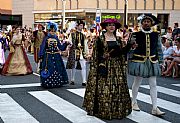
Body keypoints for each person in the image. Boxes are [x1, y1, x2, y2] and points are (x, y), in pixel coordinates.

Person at [83, 18, 132, 120]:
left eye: (113, 25)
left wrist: (129, 46)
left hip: (116, 67)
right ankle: (104, 109)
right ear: (105, 27)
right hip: (104, 66)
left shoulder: (118, 39)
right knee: (105, 89)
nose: (111, 26)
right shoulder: (100, 39)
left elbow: (121, 53)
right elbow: (96, 54)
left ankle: (116, 110)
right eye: (109, 25)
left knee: (117, 88)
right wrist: (101, 62)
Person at [128, 14, 165, 116]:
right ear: (141, 23)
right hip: (139, 61)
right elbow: (130, 48)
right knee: (137, 82)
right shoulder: (135, 34)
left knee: (153, 84)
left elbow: (159, 49)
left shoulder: (156, 34)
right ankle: (134, 102)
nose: (146, 23)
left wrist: (161, 61)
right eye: (144, 21)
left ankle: (154, 108)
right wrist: (129, 59)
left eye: (148, 21)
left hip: (152, 61)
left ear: (151, 23)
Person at [39, 22, 68, 88]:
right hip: (48, 56)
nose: (52, 32)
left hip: (56, 55)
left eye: (54, 31)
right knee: (49, 68)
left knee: (57, 68)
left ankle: (57, 82)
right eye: (51, 31)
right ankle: (48, 82)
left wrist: (66, 43)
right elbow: (42, 47)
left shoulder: (56, 38)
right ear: (49, 31)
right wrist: (41, 56)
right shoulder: (46, 38)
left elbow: (60, 47)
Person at [66, 20, 88, 86]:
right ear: (77, 26)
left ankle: (84, 81)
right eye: (80, 25)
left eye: (82, 25)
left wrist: (86, 53)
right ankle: (72, 79)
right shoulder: (72, 34)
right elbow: (70, 41)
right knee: (74, 66)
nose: (82, 27)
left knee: (83, 66)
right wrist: (69, 43)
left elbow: (85, 44)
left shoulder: (83, 35)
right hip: (74, 51)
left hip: (82, 52)